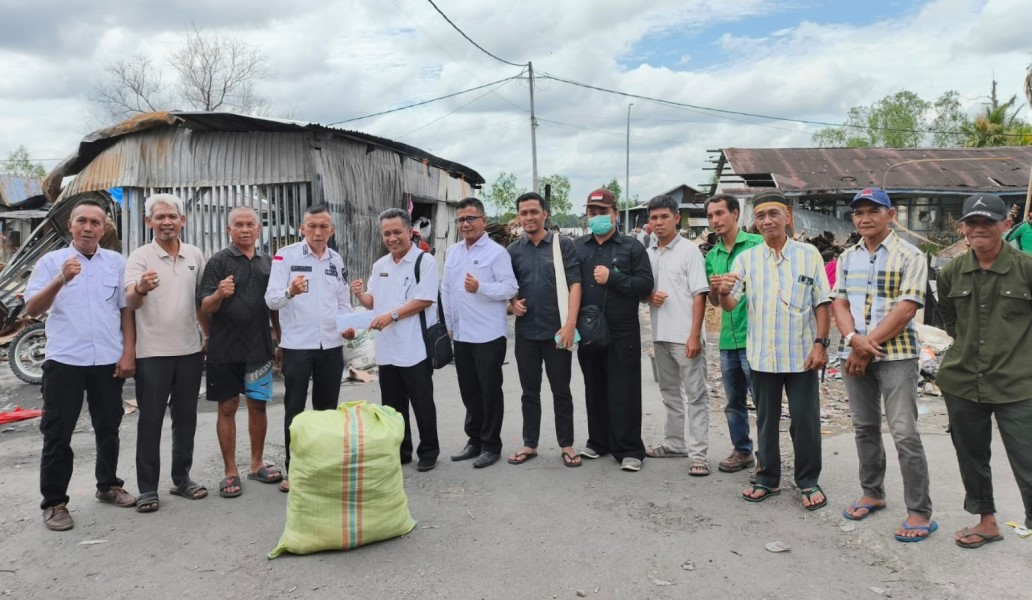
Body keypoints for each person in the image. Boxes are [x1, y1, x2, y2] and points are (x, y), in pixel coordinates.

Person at [24, 199, 137, 531]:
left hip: (106, 359)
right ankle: (55, 502)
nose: (88, 227)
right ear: (70, 225)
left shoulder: (116, 262)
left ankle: (108, 486)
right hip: (65, 361)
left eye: (95, 223)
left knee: (109, 427)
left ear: (104, 228)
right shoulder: (52, 262)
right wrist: (61, 279)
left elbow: (125, 310)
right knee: (58, 433)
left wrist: (128, 352)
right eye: (82, 221)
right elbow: (32, 308)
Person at [831, 188, 935, 542]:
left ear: (891, 215)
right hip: (854, 353)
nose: (864, 218)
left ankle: (919, 511)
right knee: (864, 427)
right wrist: (851, 342)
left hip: (898, 355)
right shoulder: (847, 258)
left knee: (904, 431)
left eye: (873, 211)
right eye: (858, 212)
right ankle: (872, 492)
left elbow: (907, 307)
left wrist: (863, 347)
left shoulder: (911, 255)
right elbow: (839, 304)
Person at [717, 190, 831, 510]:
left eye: (773, 214)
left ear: (787, 217)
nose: (767, 221)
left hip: (802, 355)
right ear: (755, 222)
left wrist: (821, 344)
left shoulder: (808, 254)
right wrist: (723, 292)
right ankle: (767, 478)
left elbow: (822, 303)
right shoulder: (746, 259)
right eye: (761, 216)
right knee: (766, 421)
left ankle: (808, 481)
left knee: (804, 422)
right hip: (763, 356)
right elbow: (731, 303)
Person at [936, 192, 1032, 549]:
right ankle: (986, 521)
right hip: (963, 382)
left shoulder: (1026, 268)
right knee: (972, 457)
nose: (980, 228)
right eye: (972, 222)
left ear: (1005, 225)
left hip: (1018, 385)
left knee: (1028, 460)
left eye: (988, 222)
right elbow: (950, 322)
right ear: (963, 228)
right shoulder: (951, 272)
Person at [125, 194, 207, 513]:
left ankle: (181, 478)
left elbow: (201, 300)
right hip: (152, 353)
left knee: (185, 418)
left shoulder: (194, 255)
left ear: (182, 220)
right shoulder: (140, 257)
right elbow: (131, 302)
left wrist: (208, 335)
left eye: (172, 216)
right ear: (149, 222)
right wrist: (141, 289)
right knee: (151, 420)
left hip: (189, 349)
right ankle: (147, 489)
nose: (166, 222)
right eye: (159, 217)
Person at [264, 205, 354, 492]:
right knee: (296, 410)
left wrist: (347, 325)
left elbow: (342, 301)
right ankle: (296, 470)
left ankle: (324, 467)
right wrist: (291, 291)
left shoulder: (336, 260)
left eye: (323, 227)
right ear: (302, 228)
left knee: (327, 410)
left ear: (332, 230)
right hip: (297, 347)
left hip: (331, 345)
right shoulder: (285, 256)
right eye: (312, 226)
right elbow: (271, 299)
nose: (318, 232)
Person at [199, 206, 283, 499]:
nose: (245, 229)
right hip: (224, 348)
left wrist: (279, 340)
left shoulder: (268, 263)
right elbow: (204, 306)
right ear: (228, 230)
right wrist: (219, 294)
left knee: (258, 405)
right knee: (227, 407)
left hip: (259, 347)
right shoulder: (218, 262)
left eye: (250, 224)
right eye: (238, 225)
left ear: (259, 229)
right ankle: (230, 470)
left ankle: (257, 463)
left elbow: (274, 306)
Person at [351, 208, 441, 471]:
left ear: (409, 232)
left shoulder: (424, 261)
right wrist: (359, 295)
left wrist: (391, 316)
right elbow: (372, 302)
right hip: (387, 347)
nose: (392, 238)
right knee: (392, 405)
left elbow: (424, 300)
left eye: (397, 232)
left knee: (422, 401)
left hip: (415, 346)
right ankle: (402, 450)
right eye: (386, 233)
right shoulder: (380, 266)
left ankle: (429, 450)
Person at [575, 188, 654, 472]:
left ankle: (629, 448)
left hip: (623, 331)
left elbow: (645, 286)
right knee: (594, 387)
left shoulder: (632, 247)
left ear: (615, 215)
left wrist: (615, 278)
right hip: (588, 331)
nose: (596, 218)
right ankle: (598, 441)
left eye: (602, 212)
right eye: (592, 213)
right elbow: (571, 287)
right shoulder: (579, 247)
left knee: (624, 390)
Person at [506, 192, 583, 468]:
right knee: (529, 392)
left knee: (561, 390)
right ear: (518, 217)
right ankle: (530, 443)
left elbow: (575, 283)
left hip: (557, 331)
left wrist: (570, 325)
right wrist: (513, 304)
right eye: (523, 213)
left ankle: (567, 444)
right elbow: (508, 289)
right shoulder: (513, 250)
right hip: (526, 333)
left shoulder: (562, 245)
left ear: (545, 214)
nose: (529, 217)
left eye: (533, 212)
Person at [443, 198, 519, 469]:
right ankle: (473, 440)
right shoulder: (452, 252)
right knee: (469, 391)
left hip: (488, 334)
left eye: (471, 218)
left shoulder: (497, 253)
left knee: (489, 391)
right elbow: (446, 290)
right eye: (461, 219)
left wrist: (482, 288)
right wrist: (449, 325)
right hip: (462, 335)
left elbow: (510, 288)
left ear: (483, 221)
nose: (466, 224)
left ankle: (491, 444)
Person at [643, 195, 711, 475]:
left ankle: (699, 455)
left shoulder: (689, 251)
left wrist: (694, 336)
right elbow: (643, 290)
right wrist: (648, 295)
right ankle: (674, 444)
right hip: (660, 335)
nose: (659, 223)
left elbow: (699, 295)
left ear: (676, 219)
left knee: (696, 396)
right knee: (669, 392)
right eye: (654, 218)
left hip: (686, 336)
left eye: (664, 217)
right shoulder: (649, 254)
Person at [704, 194, 762, 474]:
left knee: (763, 400)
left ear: (736, 214)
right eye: (711, 215)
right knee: (734, 401)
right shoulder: (713, 256)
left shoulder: (757, 245)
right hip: (729, 339)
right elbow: (715, 303)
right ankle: (742, 451)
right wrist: (716, 289)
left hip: (757, 337)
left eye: (720, 213)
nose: (715, 220)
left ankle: (769, 454)